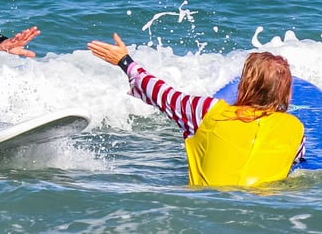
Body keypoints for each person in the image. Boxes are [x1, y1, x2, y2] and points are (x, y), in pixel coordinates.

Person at [87, 33, 305, 187]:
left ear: (244, 84)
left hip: (209, 207)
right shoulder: (295, 129)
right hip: (265, 213)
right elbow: (296, 161)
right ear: (284, 91)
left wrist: (125, 61)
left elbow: (159, 93)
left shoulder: (206, 111)